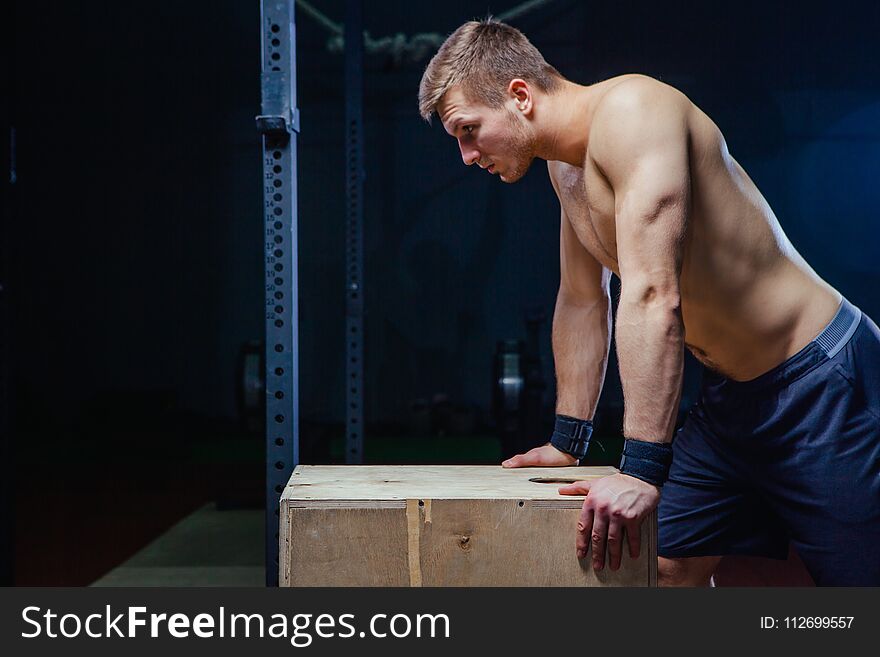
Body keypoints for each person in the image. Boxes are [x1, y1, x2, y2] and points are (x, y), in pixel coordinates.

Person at [418, 18, 880, 586]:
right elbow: (583, 301)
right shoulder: (565, 168)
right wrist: (568, 443)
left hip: (822, 383)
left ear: (519, 96)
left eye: (468, 130)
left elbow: (655, 293)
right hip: (733, 400)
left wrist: (641, 469)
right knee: (658, 569)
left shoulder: (635, 110)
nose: (466, 155)